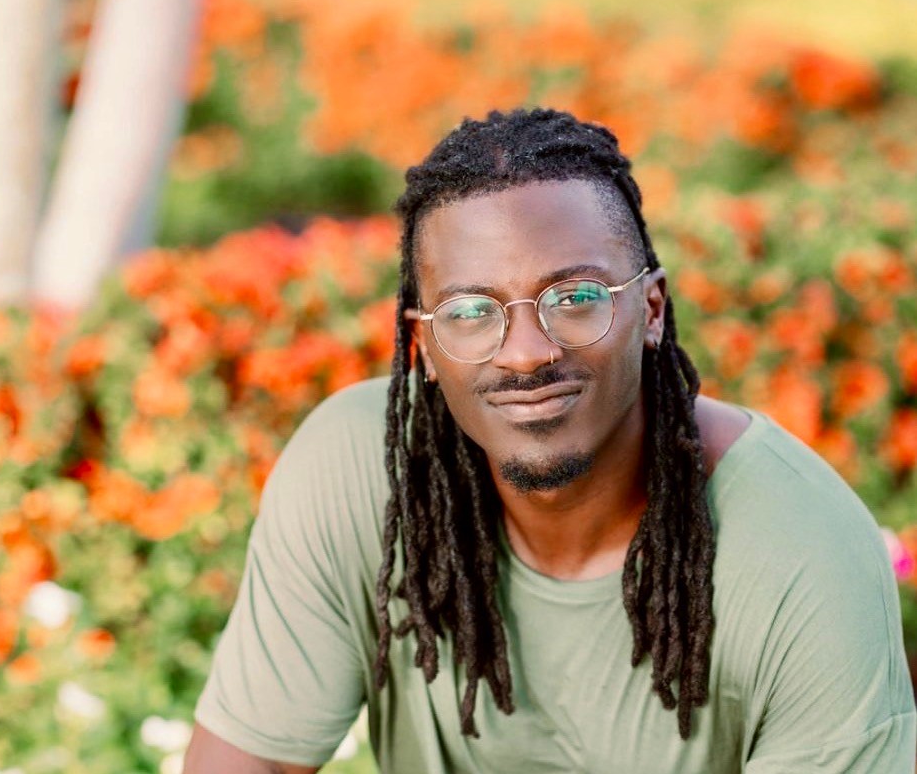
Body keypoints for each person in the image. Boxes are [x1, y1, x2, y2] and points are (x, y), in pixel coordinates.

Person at [184, 108, 916, 773]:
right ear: (425, 347)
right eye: (472, 310)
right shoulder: (353, 472)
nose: (527, 352)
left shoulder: (802, 550)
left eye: (575, 298)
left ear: (651, 308)